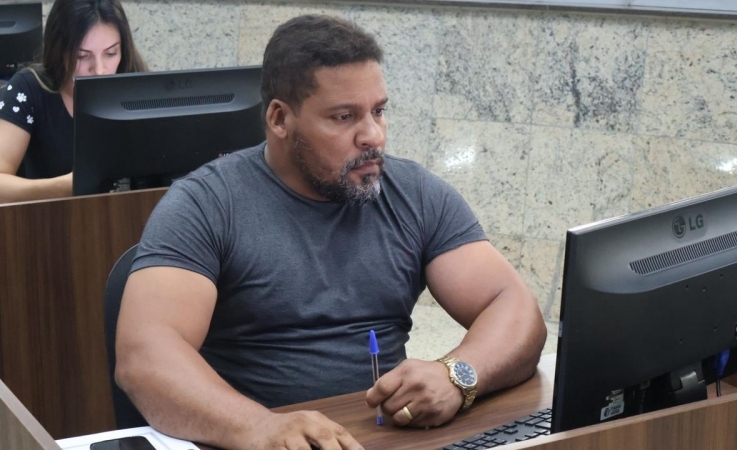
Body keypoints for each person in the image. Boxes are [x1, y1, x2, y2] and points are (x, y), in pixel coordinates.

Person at [115, 14, 546, 450]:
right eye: (344, 117)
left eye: (379, 111)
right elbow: (145, 357)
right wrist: (260, 427)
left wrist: (457, 375)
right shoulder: (206, 204)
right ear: (280, 119)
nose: (373, 136)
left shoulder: (415, 194)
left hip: (385, 436)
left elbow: (514, 306)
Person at [0, 0, 147, 204]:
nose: (99, 69)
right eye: (82, 56)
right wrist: (62, 187)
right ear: (60, 50)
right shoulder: (29, 89)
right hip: (50, 220)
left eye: (111, 53)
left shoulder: (139, 87)